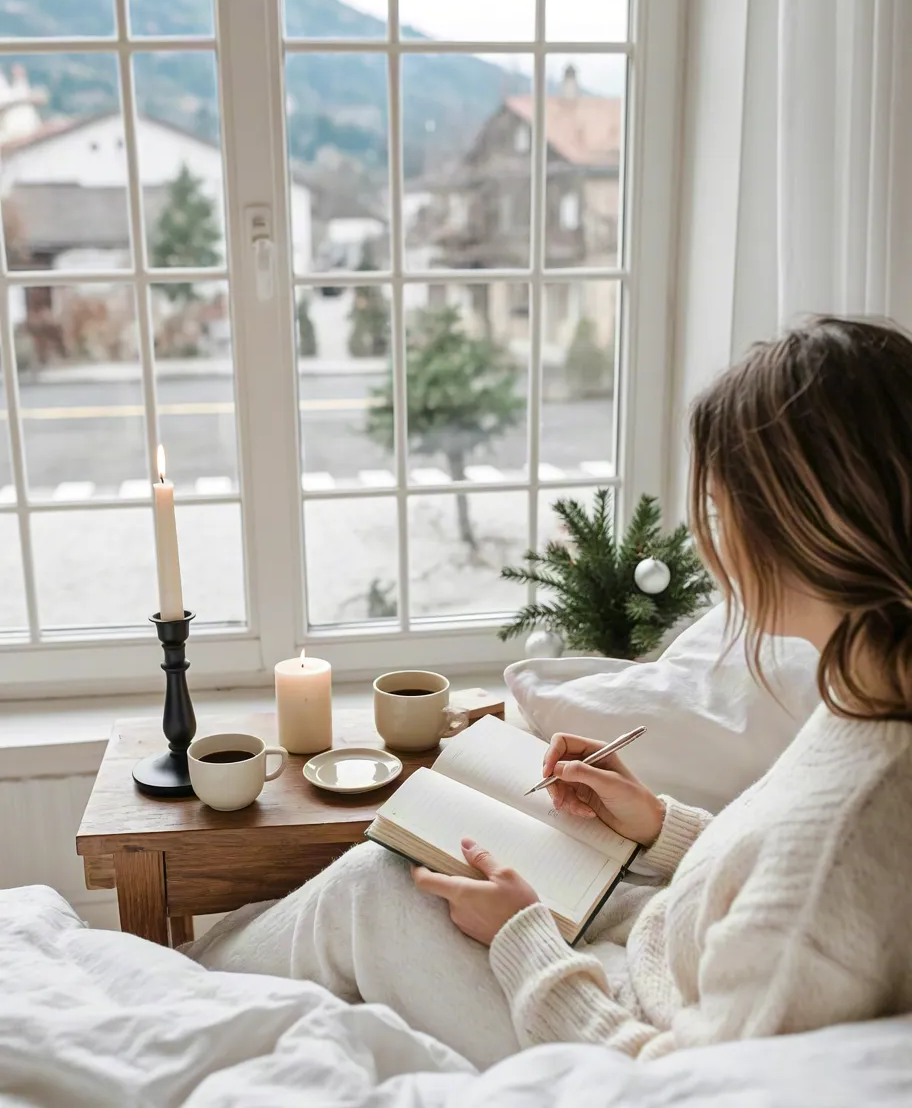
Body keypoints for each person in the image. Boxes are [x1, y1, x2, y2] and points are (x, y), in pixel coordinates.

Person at [187, 317, 912, 1070]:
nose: (712, 542)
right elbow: (763, 876)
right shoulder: (870, 690)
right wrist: (657, 825)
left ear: (808, 528)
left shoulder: (847, 839)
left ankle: (173, 1009)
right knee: (376, 885)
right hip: (651, 943)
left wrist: (521, 937)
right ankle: (192, 989)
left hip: (613, 1025)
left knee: (377, 891)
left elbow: (682, 1081)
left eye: (723, 514)